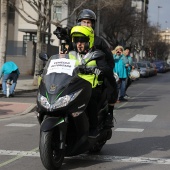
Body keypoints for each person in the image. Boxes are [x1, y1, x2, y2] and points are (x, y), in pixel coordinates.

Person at [54, 9, 116, 127]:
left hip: (95, 75)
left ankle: (109, 114)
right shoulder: (74, 39)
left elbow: (109, 60)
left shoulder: (99, 41)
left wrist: (103, 70)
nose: (86, 25)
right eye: (84, 22)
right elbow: (66, 52)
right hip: (76, 77)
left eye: (89, 22)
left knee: (109, 80)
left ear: (93, 24)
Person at [69, 25, 118, 137]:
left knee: (90, 100)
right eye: (77, 41)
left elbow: (106, 68)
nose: (79, 44)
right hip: (74, 85)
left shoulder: (97, 55)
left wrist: (98, 70)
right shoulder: (71, 55)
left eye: (82, 41)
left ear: (89, 41)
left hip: (92, 87)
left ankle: (93, 128)